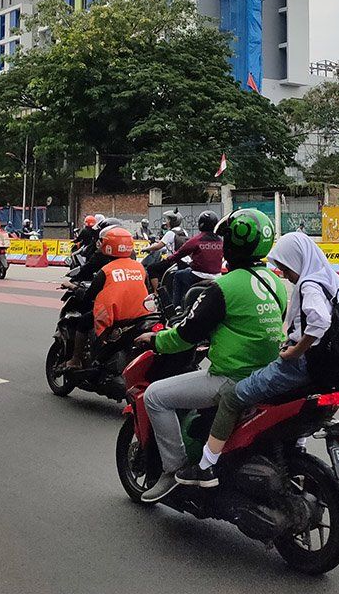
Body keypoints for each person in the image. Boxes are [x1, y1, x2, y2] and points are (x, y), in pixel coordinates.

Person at [133, 209, 285, 503]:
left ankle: (174, 468)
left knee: (154, 396)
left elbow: (185, 336)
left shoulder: (223, 287)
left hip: (231, 377)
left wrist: (155, 340)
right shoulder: (274, 282)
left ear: (232, 245)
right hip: (266, 376)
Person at [176, 231, 339, 488]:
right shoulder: (332, 280)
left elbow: (319, 320)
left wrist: (296, 350)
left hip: (298, 365)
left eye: (286, 268)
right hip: (324, 368)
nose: (285, 274)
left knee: (232, 398)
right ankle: (296, 450)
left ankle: (206, 466)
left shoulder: (309, 285)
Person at [62, 226, 151, 370]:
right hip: (140, 316)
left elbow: (89, 296)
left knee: (84, 321)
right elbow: (147, 289)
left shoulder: (106, 270)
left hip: (115, 316)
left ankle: (75, 360)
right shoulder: (140, 267)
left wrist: (73, 288)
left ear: (108, 246)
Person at [163, 210, 223, 307]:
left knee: (178, 276)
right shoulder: (220, 240)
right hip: (217, 276)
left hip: (199, 275)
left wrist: (168, 259)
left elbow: (180, 253)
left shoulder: (197, 239)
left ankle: (176, 306)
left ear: (201, 224)